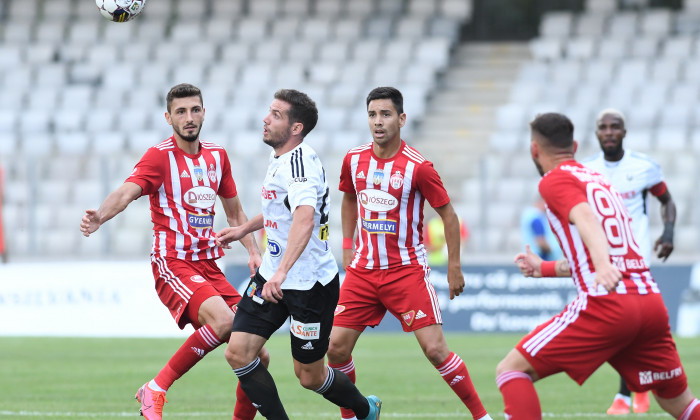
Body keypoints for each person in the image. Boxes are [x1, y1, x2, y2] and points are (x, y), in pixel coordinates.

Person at [80, 83, 268, 420]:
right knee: (224, 322)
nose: (189, 117)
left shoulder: (217, 155)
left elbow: (236, 214)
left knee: (254, 352)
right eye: (180, 111)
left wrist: (253, 251)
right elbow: (127, 192)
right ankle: (156, 387)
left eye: (195, 109)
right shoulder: (160, 156)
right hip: (173, 262)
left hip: (209, 265)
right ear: (169, 118)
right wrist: (101, 217)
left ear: (204, 113)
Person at [496, 112, 699, 420]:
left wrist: (602, 266)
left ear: (535, 150)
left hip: (609, 304)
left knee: (511, 371)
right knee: (678, 402)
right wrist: (546, 268)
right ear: (575, 145)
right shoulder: (599, 180)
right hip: (649, 300)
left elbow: (586, 220)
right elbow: (599, 250)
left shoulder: (555, 179)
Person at [326, 86, 492, 420]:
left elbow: (449, 215)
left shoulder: (419, 167)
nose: (378, 121)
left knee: (435, 349)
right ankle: (353, 416)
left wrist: (454, 266)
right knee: (335, 348)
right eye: (372, 114)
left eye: (385, 114)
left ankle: (482, 416)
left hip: (406, 272)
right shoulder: (353, 159)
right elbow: (348, 198)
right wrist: (347, 245)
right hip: (362, 272)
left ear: (401, 119)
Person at [215, 89, 381, 420]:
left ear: (295, 127)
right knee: (238, 353)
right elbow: (283, 209)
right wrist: (244, 229)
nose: (266, 118)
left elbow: (305, 217)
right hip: (272, 278)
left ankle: (365, 409)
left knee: (309, 376)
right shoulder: (283, 158)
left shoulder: (299, 163)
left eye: (276, 115)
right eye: (269, 112)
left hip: (309, 286)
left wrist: (281, 274)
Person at [582, 108, 677, 415]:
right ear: (596, 133)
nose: (609, 132)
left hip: (637, 261)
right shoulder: (586, 171)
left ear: (624, 132)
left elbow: (666, 200)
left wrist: (669, 233)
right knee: (616, 329)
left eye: (615, 127)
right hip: (602, 261)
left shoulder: (644, 167)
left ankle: (627, 395)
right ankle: (638, 387)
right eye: (603, 127)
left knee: (627, 326)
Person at [520, 195, 562, 261]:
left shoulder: (528, 214)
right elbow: (541, 241)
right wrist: (554, 251)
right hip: (540, 258)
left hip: (532, 257)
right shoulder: (536, 217)